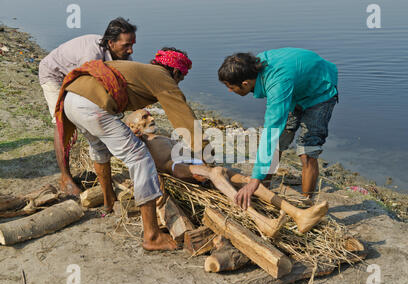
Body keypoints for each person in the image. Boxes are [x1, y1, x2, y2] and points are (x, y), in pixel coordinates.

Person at [54, 47, 202, 251]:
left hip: (72, 99)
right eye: (180, 78)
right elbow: (185, 118)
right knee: (140, 158)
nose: (178, 83)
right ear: (176, 72)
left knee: (99, 148)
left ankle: (108, 201)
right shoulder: (162, 77)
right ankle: (152, 236)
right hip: (92, 105)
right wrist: (205, 154)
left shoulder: (144, 71)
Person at [124, 109, 329, 237]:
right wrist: (133, 134)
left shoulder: (159, 134)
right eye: (144, 116)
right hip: (175, 166)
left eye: (150, 114)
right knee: (216, 173)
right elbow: (131, 154)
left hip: (189, 160)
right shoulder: (139, 142)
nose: (151, 117)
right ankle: (261, 220)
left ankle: (298, 214)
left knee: (249, 181)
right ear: (133, 125)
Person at [218, 48, 338, 210]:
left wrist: (253, 179)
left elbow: (271, 131)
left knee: (307, 151)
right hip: (295, 89)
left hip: (320, 91)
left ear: (245, 83)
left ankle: (305, 205)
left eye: (231, 86)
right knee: (278, 143)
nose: (229, 90)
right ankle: (264, 189)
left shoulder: (277, 84)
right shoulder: (252, 67)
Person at [39, 17, 137, 196]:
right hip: (55, 75)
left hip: (77, 78)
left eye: (132, 44)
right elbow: (87, 92)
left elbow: (126, 83)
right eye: (126, 45)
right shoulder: (91, 56)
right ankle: (65, 178)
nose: (130, 50)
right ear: (111, 43)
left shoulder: (124, 55)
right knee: (62, 121)